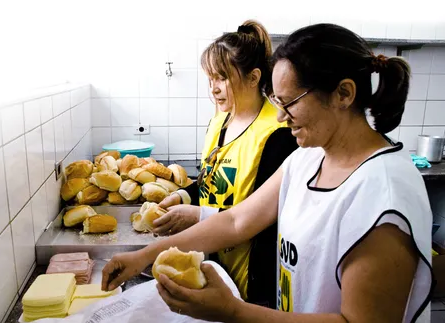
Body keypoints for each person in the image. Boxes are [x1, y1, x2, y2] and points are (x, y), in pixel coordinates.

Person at [102, 23, 433, 322]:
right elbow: (236, 222)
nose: (280, 117)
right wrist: (144, 256)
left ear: (343, 94)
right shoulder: (307, 160)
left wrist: (234, 311)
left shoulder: (382, 194)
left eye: (289, 103)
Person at [151, 19, 298, 308]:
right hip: (215, 263)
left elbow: (269, 220)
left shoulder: (277, 134)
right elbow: (211, 181)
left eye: (221, 78)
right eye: (210, 79)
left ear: (254, 77)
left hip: (254, 283)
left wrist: (198, 216)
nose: (213, 89)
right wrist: (181, 195)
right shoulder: (221, 120)